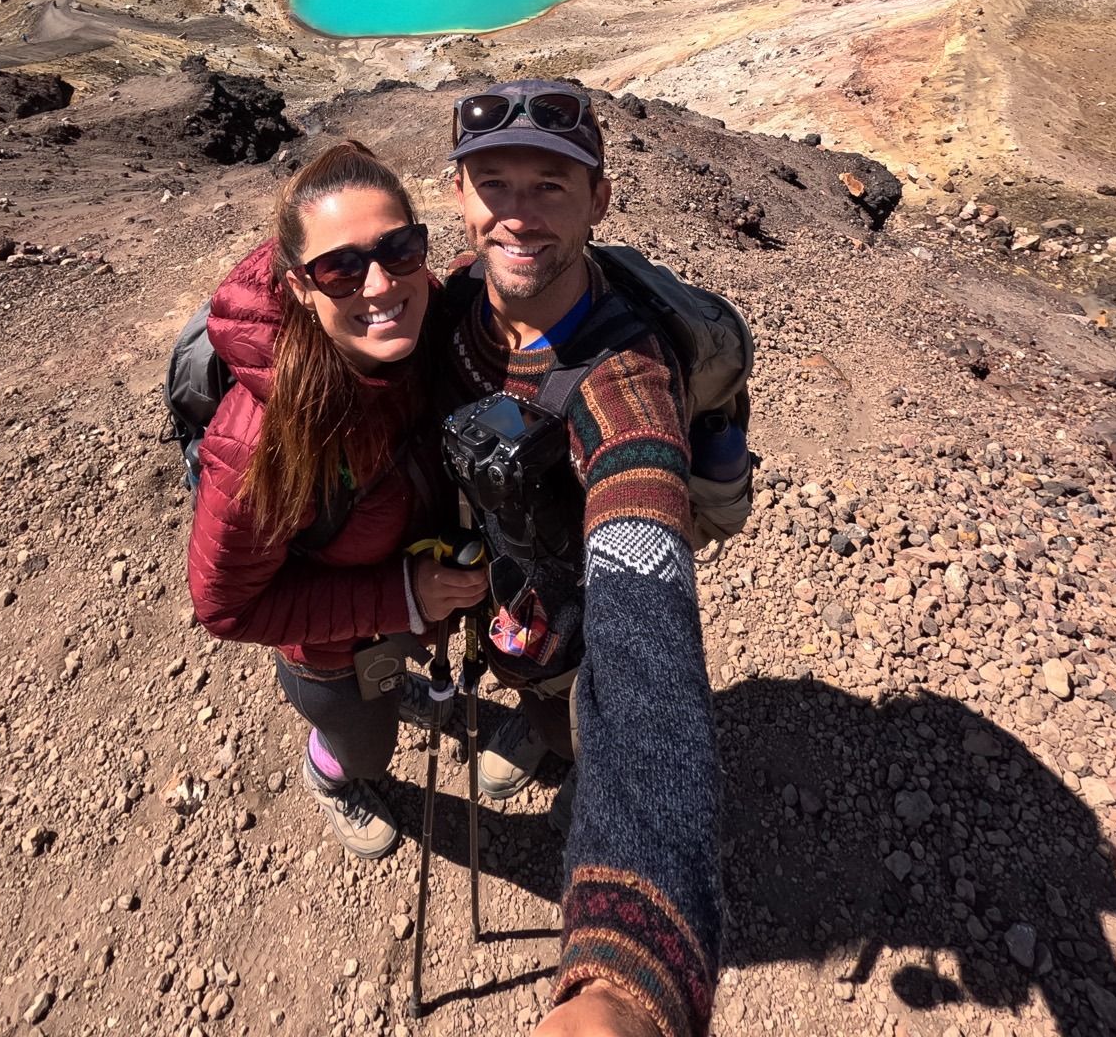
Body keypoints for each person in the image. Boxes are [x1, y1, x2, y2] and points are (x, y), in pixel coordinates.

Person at [440, 81, 722, 1037]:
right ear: (460, 195)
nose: (518, 214)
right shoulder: (440, 308)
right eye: (494, 182)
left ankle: (555, 730)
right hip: (483, 573)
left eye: (551, 188)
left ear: (600, 200)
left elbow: (650, 652)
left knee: (570, 673)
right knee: (525, 662)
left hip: (569, 599)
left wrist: (623, 981)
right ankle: (543, 718)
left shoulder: (625, 375)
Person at [187, 140, 488, 859]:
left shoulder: (425, 329)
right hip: (328, 651)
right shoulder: (264, 436)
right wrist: (402, 596)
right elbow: (225, 607)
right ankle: (333, 776)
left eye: (399, 250)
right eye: (341, 269)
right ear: (299, 286)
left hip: (409, 604)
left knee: (391, 683)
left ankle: (390, 686)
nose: (380, 285)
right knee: (365, 746)